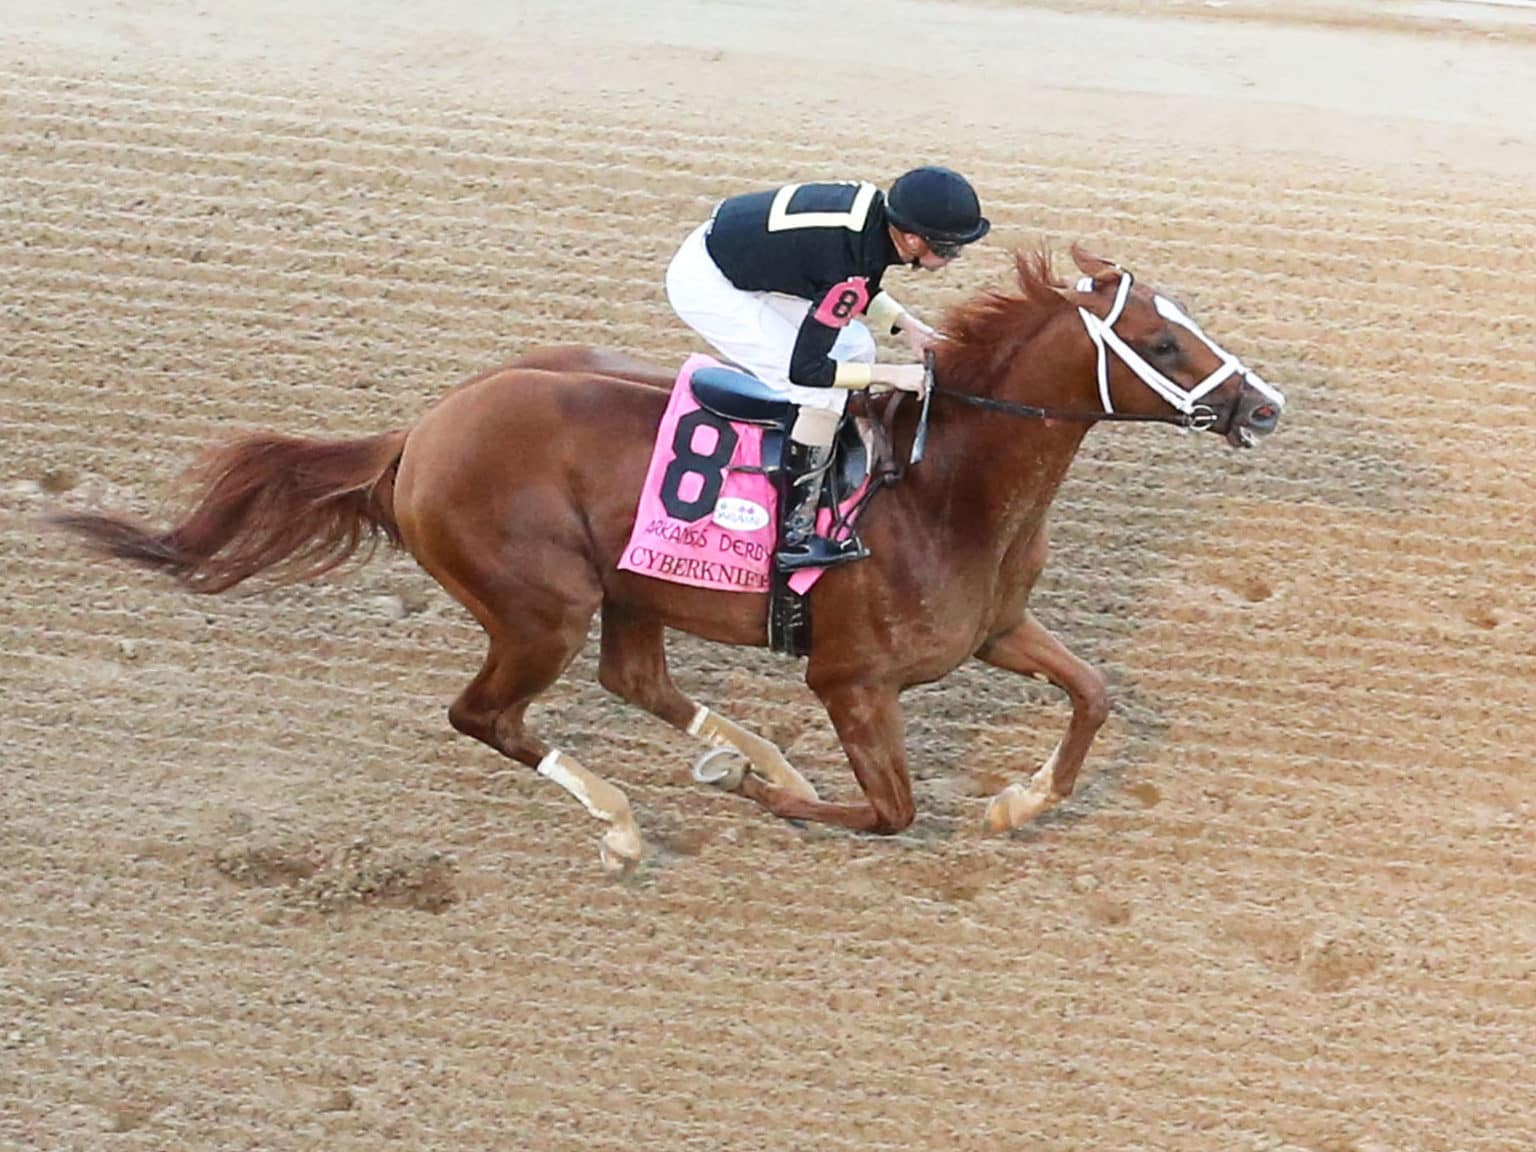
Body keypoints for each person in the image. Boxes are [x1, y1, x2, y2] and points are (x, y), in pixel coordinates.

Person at [665, 165, 990, 571]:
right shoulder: (849, 263)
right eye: (948, 248)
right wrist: (894, 375)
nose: (953, 257)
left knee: (856, 344)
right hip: (709, 286)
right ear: (912, 239)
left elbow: (854, 276)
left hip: (739, 255)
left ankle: (837, 448)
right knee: (816, 393)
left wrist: (909, 326)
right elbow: (809, 369)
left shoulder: (874, 220)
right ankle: (794, 536)